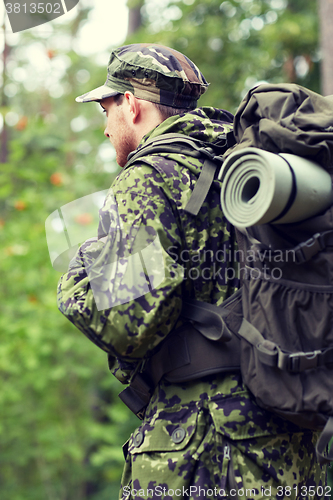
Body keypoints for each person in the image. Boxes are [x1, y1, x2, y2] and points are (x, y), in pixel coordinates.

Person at [57, 43, 326, 499]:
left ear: (133, 105)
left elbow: (134, 324)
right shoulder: (239, 158)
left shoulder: (148, 177)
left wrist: (74, 286)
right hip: (287, 432)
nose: (105, 128)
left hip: (201, 444)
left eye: (107, 109)